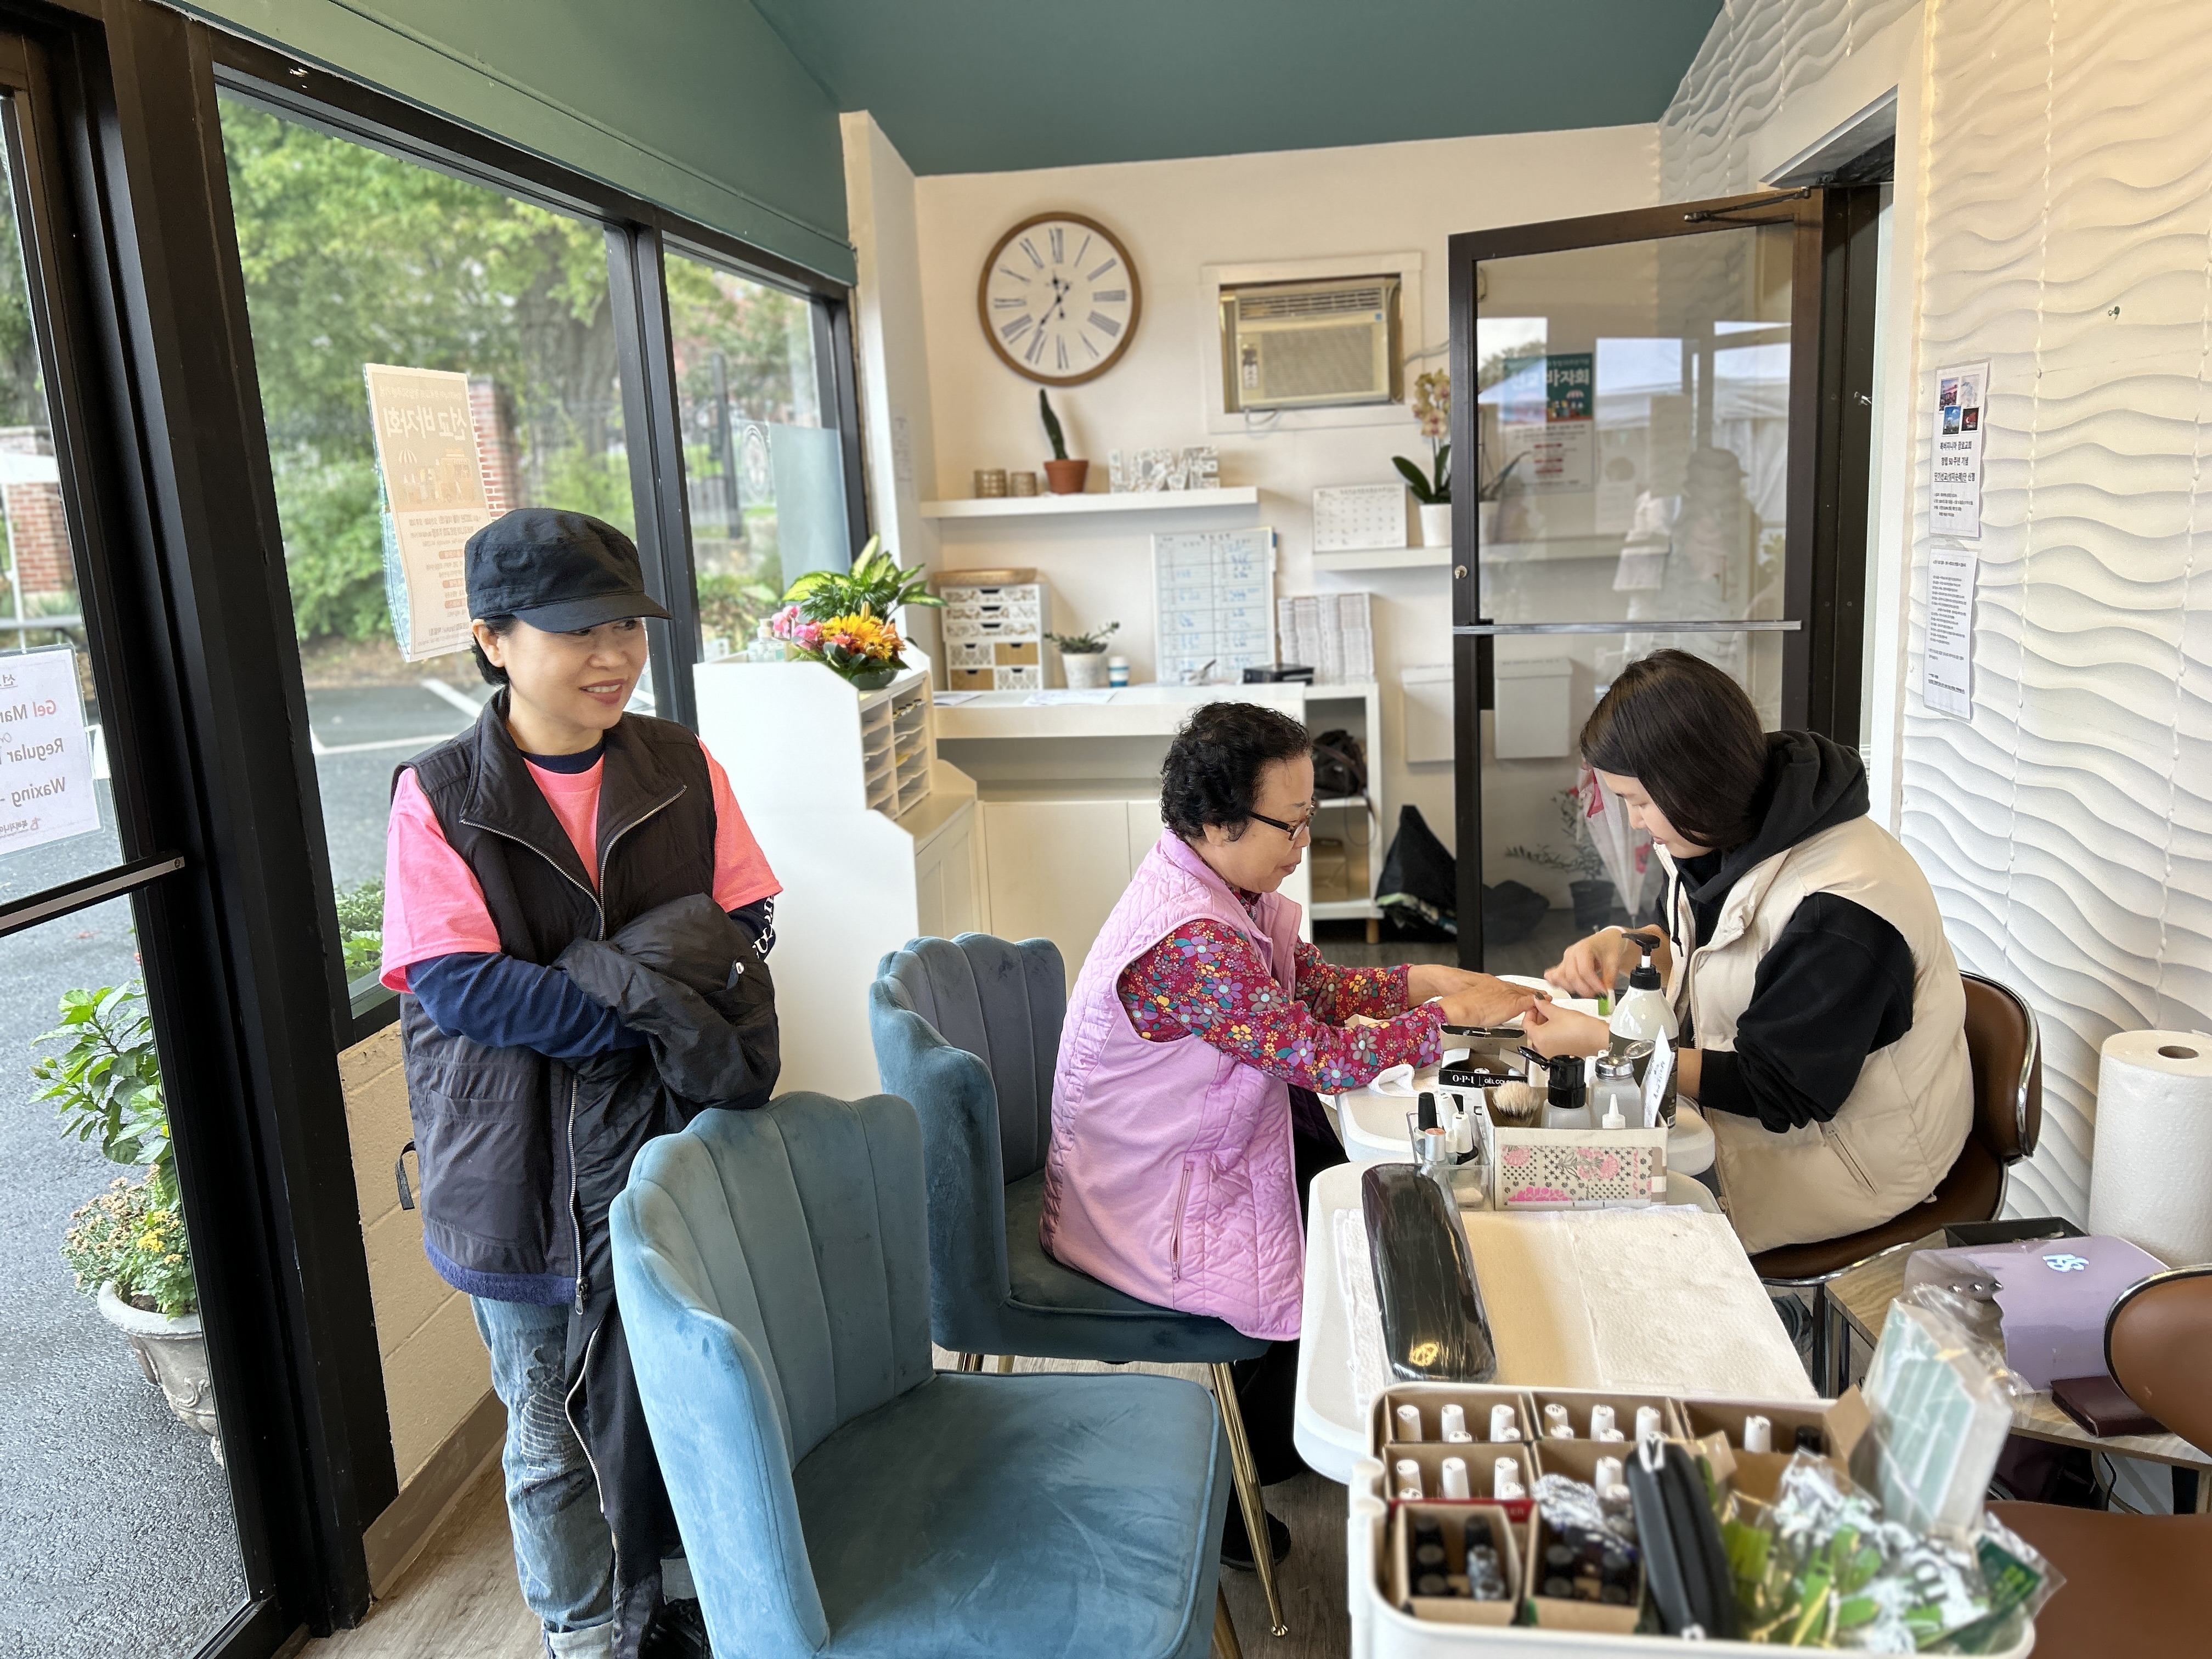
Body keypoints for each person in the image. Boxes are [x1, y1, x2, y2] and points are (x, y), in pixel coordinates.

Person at [381, 508, 782, 1659]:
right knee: (551, 1424)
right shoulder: (441, 792)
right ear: (493, 638)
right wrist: (650, 1004)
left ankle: (687, 1607)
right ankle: (582, 1632)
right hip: (519, 1166)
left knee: (688, 1391)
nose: (614, 656)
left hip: (669, 1141)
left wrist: (617, 981)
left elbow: (741, 922)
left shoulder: (679, 764)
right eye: (577, 631)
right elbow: (465, 987)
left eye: (627, 626)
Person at [1040, 701, 1549, 1567]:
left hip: (1178, 1157)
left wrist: (1426, 979)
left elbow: (1315, 992)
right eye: (1293, 823)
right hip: (1144, 1196)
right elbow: (1315, 1054)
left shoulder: (1223, 893)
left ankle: (1283, 1427)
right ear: (1216, 821)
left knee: (1351, 1191)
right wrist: (1443, 1019)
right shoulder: (1191, 941)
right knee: (1348, 1228)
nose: (1305, 841)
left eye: (1311, 816)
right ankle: (1236, 1477)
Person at [1534, 649, 1972, 1256]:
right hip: (1736, 1117)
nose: (1634, 822)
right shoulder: (1724, 825)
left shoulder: (1841, 910)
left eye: (1639, 801)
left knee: (1595, 1231)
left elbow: (1777, 1088)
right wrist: (1631, 946)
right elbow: (1709, 948)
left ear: (1691, 782)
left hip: (1848, 1164)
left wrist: (1607, 1047)